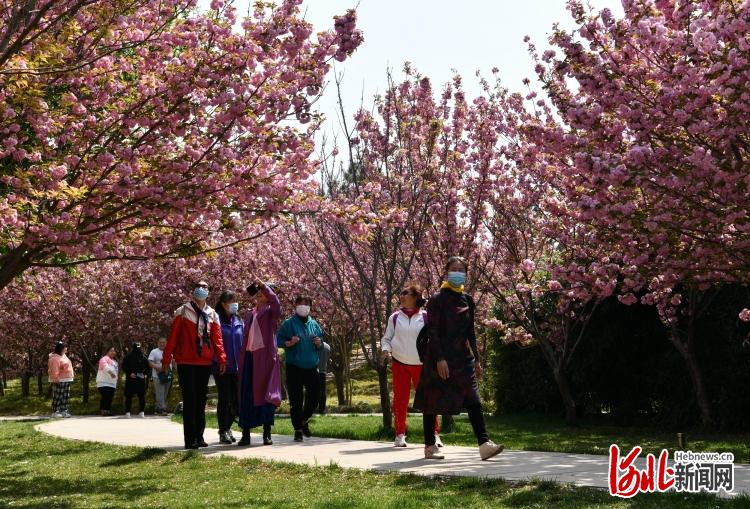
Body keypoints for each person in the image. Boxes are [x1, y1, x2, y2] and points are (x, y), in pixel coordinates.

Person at [414, 256, 505, 461]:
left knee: (473, 398)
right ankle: (430, 446)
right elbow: (433, 331)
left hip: (463, 358)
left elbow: (470, 332)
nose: (457, 272)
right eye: (453, 269)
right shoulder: (437, 299)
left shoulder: (468, 300)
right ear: (446, 272)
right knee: (432, 399)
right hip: (439, 356)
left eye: (461, 269)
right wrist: (439, 358)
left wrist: (477, 359)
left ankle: (484, 444)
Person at [163, 281, 226, 449]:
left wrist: (222, 358)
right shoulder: (182, 311)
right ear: (193, 291)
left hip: (204, 361)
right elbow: (173, 337)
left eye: (205, 287)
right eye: (199, 286)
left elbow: (217, 339)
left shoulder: (212, 314)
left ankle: (199, 436)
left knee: (200, 400)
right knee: (190, 400)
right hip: (185, 361)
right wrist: (166, 359)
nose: (202, 289)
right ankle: (190, 439)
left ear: (209, 292)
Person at [380, 283, 440, 448]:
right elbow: (387, 338)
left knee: (428, 400)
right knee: (400, 399)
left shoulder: (426, 317)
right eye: (401, 293)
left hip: (421, 365)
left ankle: (434, 434)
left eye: (406, 293)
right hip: (399, 364)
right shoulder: (395, 317)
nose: (402, 295)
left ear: (415, 297)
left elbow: (434, 339)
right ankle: (400, 434)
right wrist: (386, 350)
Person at [237, 281, 282, 446]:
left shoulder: (271, 312)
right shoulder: (249, 313)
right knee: (247, 395)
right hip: (249, 357)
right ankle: (246, 433)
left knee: (266, 396)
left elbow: (276, 302)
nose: (261, 293)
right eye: (259, 291)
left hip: (265, 359)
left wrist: (264, 286)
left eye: (265, 291)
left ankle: (267, 433)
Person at [277, 295, 324, 442]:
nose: (303, 306)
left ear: (310, 307)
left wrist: (319, 343)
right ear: (296, 306)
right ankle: (297, 429)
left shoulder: (314, 324)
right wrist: (289, 342)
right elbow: (278, 341)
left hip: (311, 366)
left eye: (306, 304)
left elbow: (321, 343)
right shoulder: (289, 323)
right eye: (300, 304)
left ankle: (303, 419)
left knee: (316, 396)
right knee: (296, 400)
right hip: (294, 367)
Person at [215, 290, 243, 444]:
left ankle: (228, 426)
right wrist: (219, 360)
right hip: (222, 367)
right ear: (223, 304)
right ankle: (222, 430)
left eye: (235, 301)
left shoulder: (238, 319)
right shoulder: (216, 320)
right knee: (225, 398)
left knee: (236, 400)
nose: (234, 304)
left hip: (237, 367)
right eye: (231, 301)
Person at [47, 341, 74, 418]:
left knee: (65, 396)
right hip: (60, 380)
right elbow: (54, 369)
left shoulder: (63, 356)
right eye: (65, 347)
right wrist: (55, 379)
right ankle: (55, 412)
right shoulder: (55, 358)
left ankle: (64, 411)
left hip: (67, 379)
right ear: (61, 348)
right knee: (58, 396)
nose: (66, 349)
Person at [123, 342, 149, 418]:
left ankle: (141, 412)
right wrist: (130, 373)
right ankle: (128, 412)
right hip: (131, 378)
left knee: (141, 396)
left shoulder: (143, 358)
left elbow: (147, 368)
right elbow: (124, 366)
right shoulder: (128, 357)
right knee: (129, 395)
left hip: (138, 378)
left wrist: (143, 373)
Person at [148, 338, 173, 416]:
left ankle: (158, 408)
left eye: (164, 342)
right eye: (160, 342)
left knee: (165, 393)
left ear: (166, 343)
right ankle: (162, 409)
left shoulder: (170, 351)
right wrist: (158, 368)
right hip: (158, 375)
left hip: (168, 374)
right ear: (158, 343)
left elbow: (173, 362)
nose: (162, 344)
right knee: (160, 392)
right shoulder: (154, 351)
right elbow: (150, 362)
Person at [96, 346, 119, 416]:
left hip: (112, 383)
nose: (113, 352)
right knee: (105, 396)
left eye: (114, 351)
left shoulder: (115, 361)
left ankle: (107, 410)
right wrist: (111, 373)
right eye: (111, 351)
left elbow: (116, 372)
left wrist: (115, 379)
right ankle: (103, 410)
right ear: (107, 352)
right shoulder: (104, 359)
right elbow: (105, 366)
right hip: (103, 382)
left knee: (110, 397)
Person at [317, 341, 330, 415]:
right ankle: (322, 409)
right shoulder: (327, 346)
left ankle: (309, 407)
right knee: (323, 390)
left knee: (311, 390)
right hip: (323, 371)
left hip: (314, 370)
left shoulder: (313, 346)